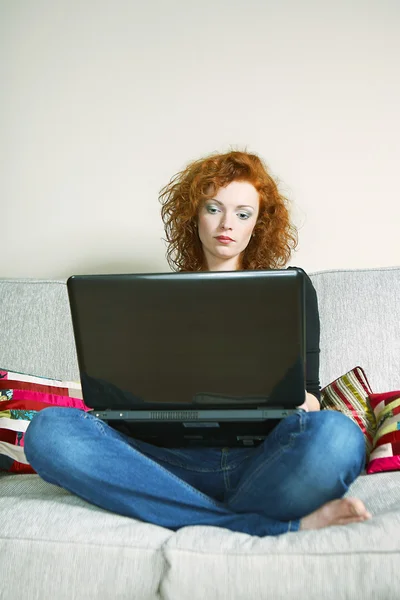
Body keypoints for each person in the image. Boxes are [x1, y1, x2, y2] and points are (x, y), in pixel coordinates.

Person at [24, 150, 371, 536]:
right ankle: (254, 525)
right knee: (48, 430)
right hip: (161, 463)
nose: (227, 224)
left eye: (243, 213)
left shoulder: (291, 288)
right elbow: (128, 395)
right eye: (214, 208)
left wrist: (278, 399)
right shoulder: (155, 300)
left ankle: (193, 515)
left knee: (339, 436)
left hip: (263, 461)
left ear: (258, 224)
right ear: (195, 214)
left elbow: (310, 398)